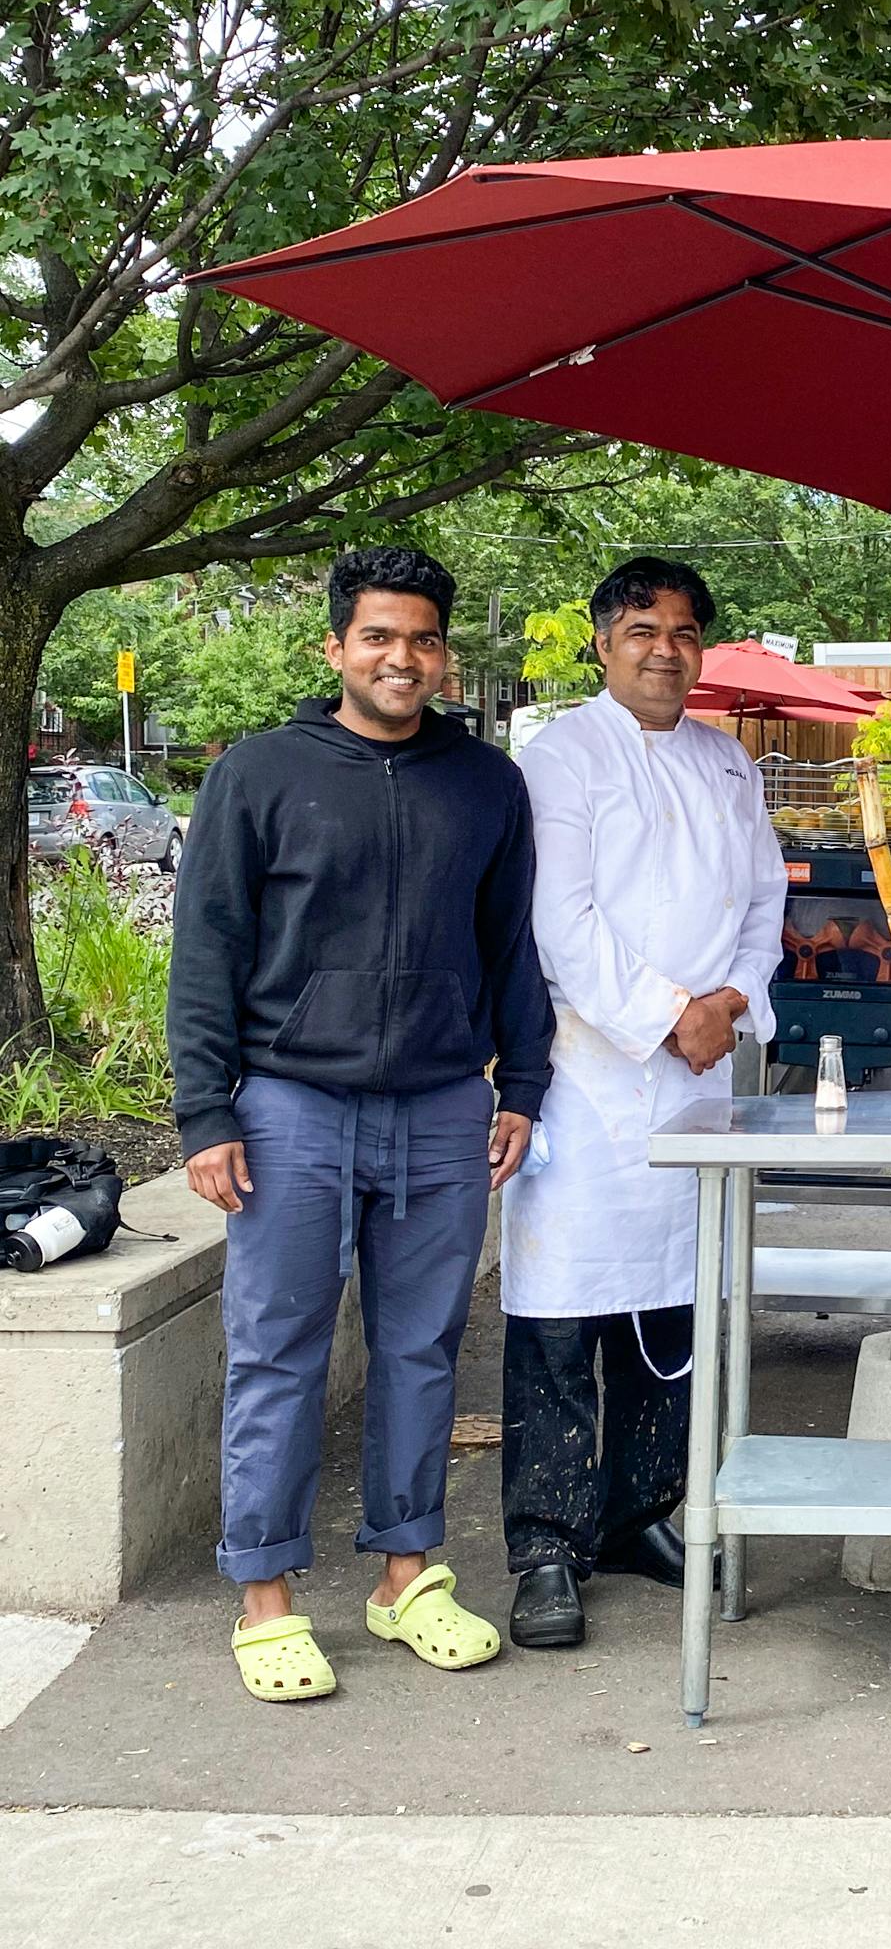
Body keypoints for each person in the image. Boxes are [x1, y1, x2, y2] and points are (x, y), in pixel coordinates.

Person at [171, 548, 553, 1703]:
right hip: (290, 1104)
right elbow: (209, 950)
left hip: (442, 1104)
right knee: (277, 1350)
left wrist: (522, 1082)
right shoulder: (259, 774)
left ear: (443, 652)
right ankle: (268, 1596)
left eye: (423, 638)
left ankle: (404, 1574)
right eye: (379, 637)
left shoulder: (485, 783)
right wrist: (205, 1109)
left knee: (422, 1348)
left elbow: (509, 946)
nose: (404, 658)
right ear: (334, 648)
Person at [499, 557, 786, 1648]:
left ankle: (639, 1512)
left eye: (681, 629)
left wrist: (732, 1000)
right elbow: (560, 920)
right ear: (601, 640)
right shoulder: (558, 758)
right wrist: (670, 1013)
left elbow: (763, 897)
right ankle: (545, 1545)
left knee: (676, 1307)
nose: (664, 647)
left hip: (703, 1076)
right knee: (562, 1316)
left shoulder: (727, 761)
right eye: (640, 628)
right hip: (590, 1073)